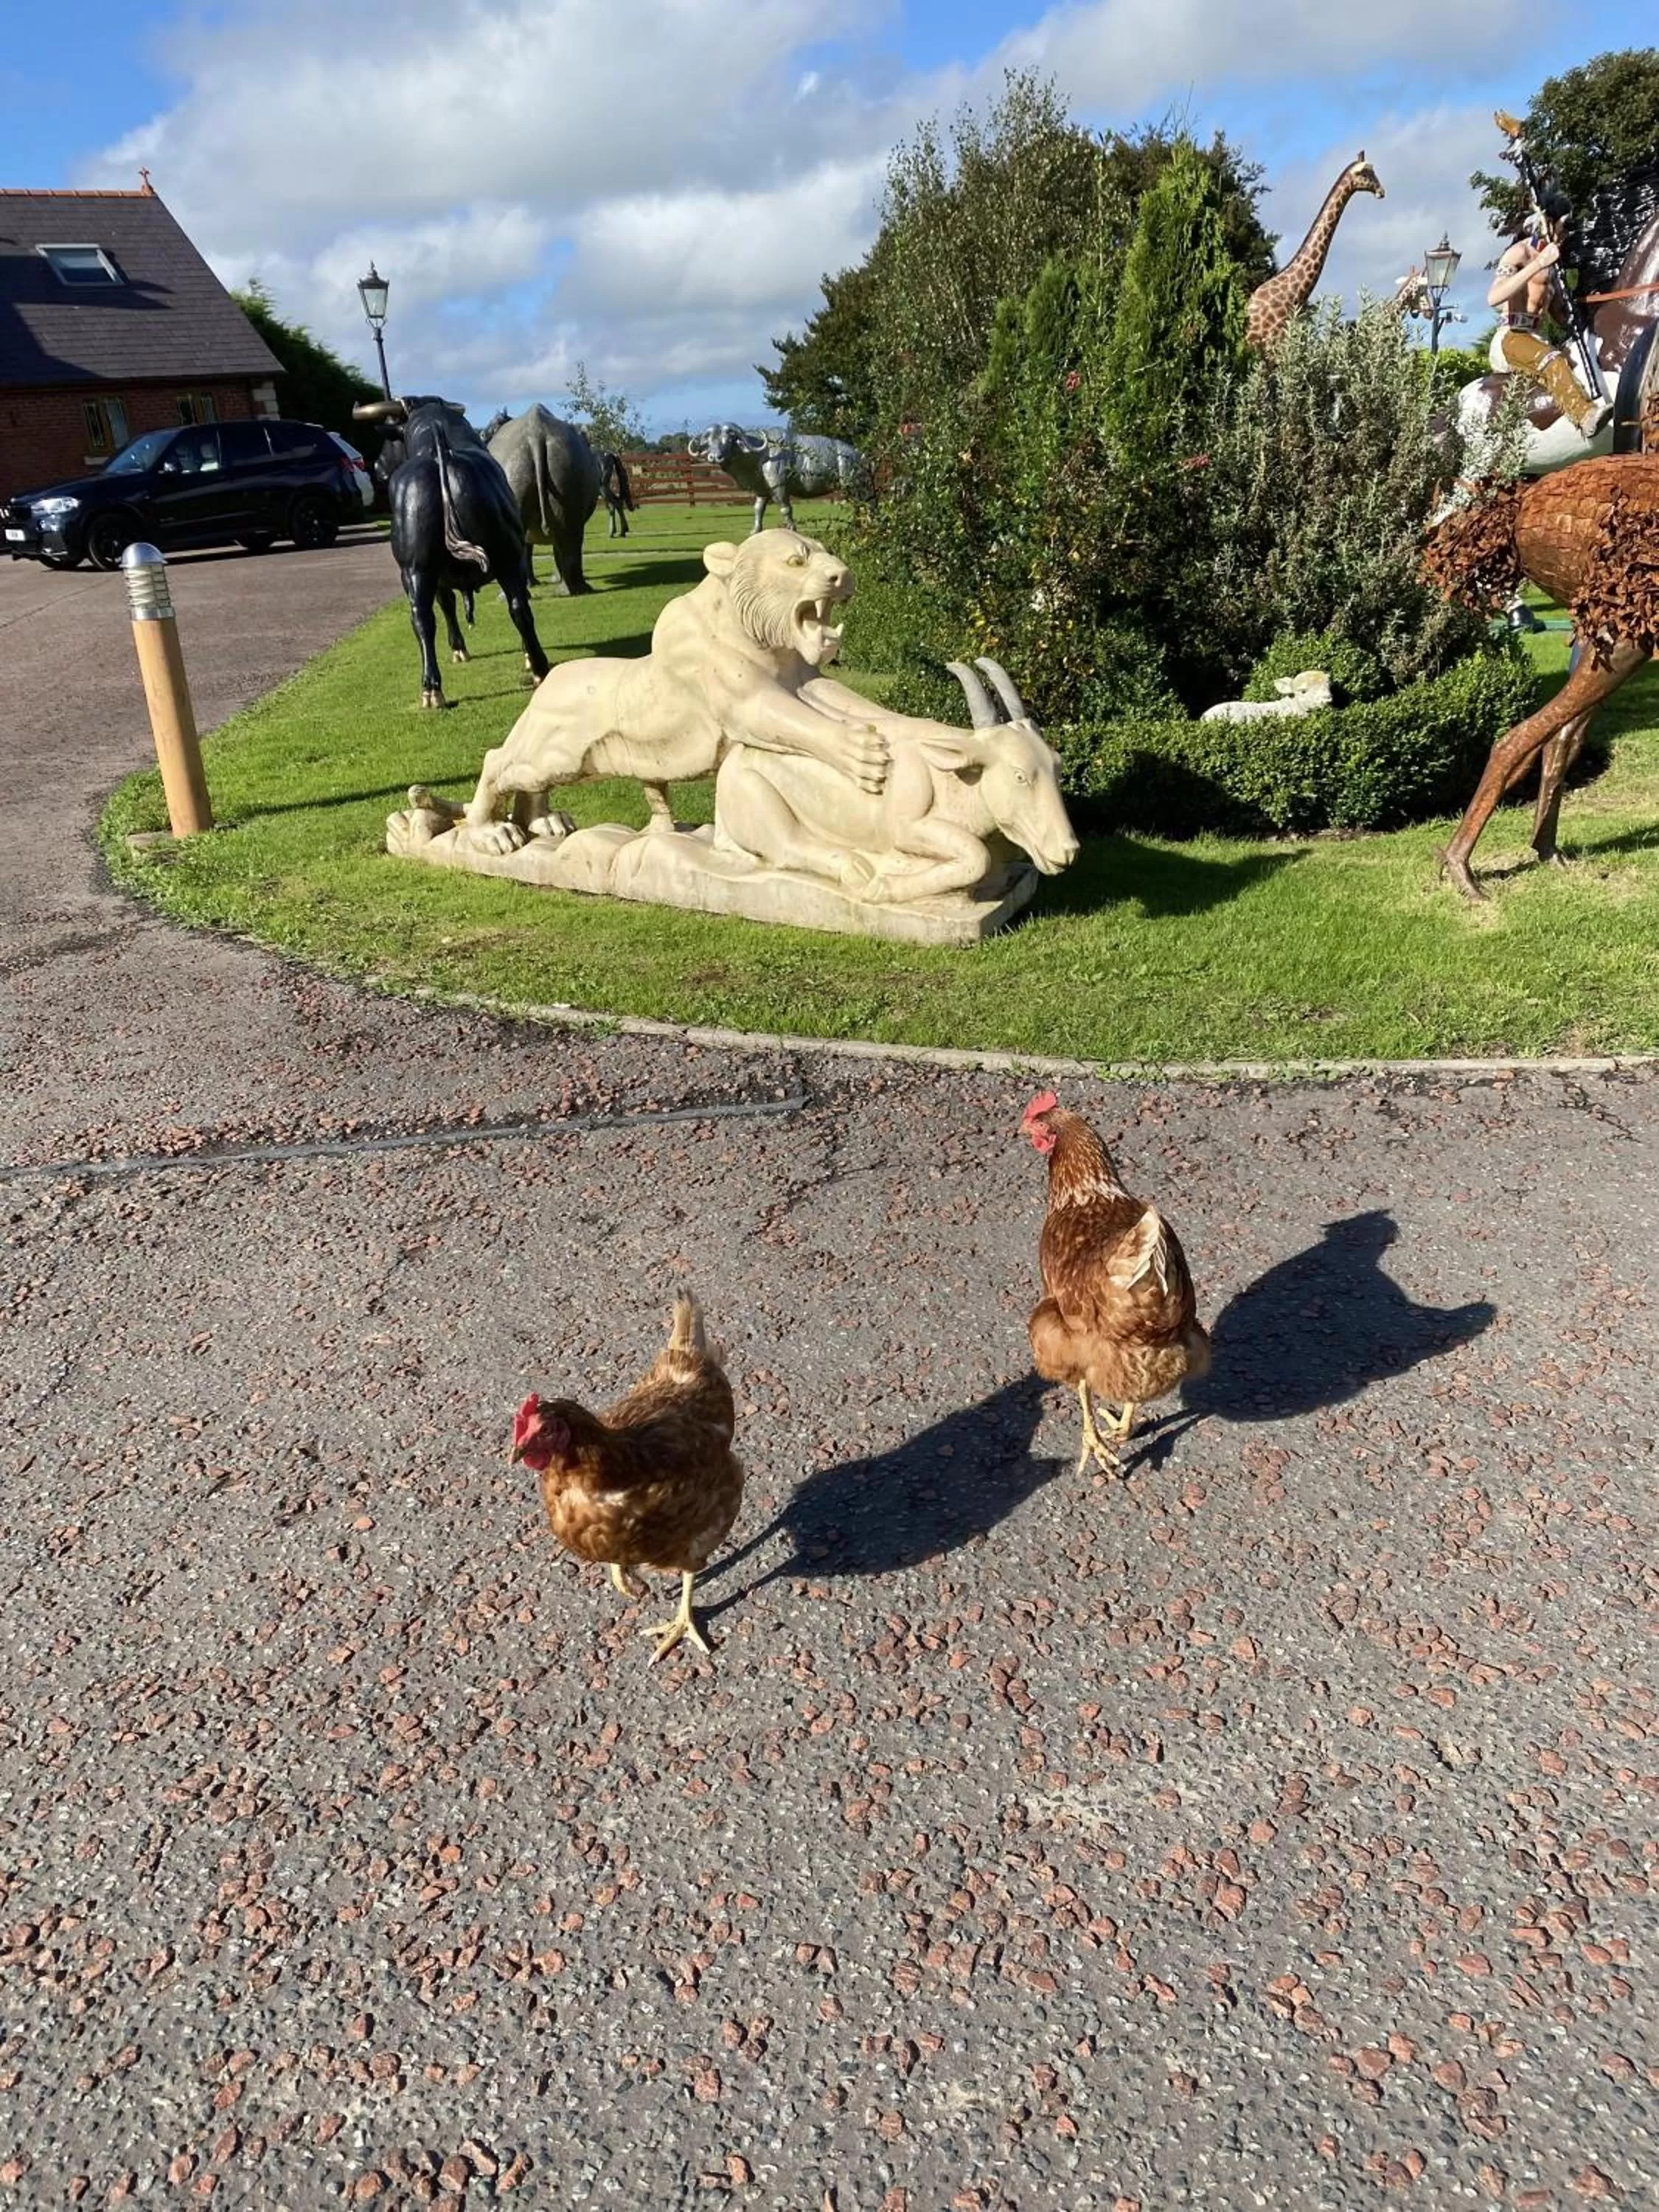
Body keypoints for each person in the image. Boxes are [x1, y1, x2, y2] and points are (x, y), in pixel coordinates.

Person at [1486, 201, 1613, 440]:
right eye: (1563, 226)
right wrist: (1537, 264)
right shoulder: (1519, 254)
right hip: (1511, 336)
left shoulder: (1553, 265)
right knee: (1553, 360)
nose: (1566, 233)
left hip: (1537, 336)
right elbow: (1494, 297)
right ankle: (1585, 418)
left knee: (1581, 366)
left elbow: (1560, 316)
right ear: (1547, 223)